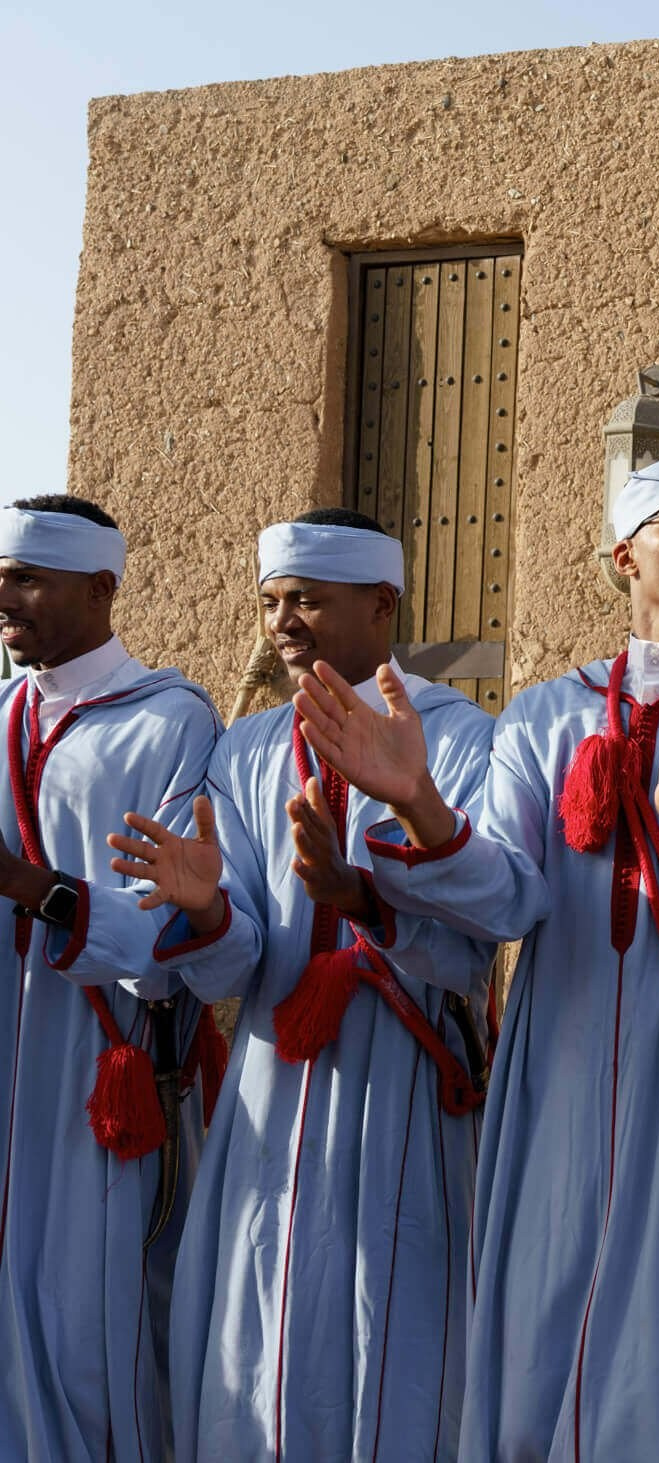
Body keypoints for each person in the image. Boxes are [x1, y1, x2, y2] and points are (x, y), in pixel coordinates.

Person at [297, 452, 659, 1460]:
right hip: (557, 1070)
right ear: (626, 553)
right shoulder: (546, 713)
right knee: (544, 1311)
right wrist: (417, 801)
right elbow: (507, 896)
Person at [116, 508, 496, 1461]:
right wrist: (205, 910)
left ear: (383, 604)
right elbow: (241, 960)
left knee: (404, 1319)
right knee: (262, 1312)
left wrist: (360, 897)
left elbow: (477, 936)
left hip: (408, 1078)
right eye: (275, 601)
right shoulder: (242, 753)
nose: (285, 621)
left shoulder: (458, 739)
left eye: (309, 601)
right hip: (272, 1086)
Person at [0, 495, 224, 1460]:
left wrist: (32, 886)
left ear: (101, 587)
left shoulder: (170, 721)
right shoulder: (6, 714)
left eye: (28, 579)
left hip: (103, 1066)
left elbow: (174, 919)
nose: (6, 597)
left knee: (96, 1332)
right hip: (7, 1066)